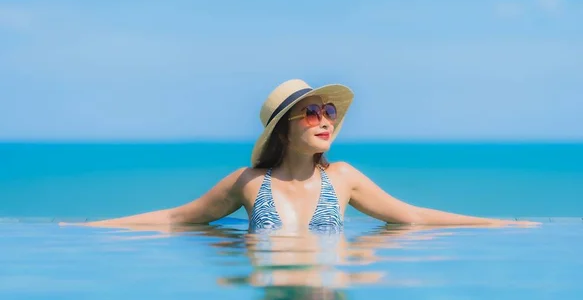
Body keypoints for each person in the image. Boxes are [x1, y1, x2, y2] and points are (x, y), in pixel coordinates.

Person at [79, 79, 539, 233]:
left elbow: (412, 217)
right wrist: (92, 228)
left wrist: (498, 224)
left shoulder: (342, 179)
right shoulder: (249, 183)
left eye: (330, 112)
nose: (326, 120)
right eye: (312, 112)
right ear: (285, 127)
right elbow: (179, 219)